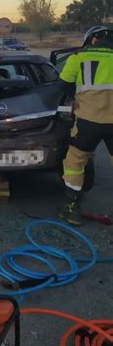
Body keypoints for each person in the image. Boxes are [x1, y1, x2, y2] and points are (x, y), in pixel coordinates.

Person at [58, 25, 113, 226]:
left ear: (92, 40)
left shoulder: (78, 58)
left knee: (75, 162)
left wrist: (78, 97)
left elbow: (63, 83)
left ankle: (70, 209)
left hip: (88, 122)